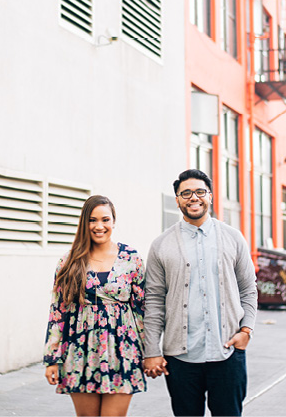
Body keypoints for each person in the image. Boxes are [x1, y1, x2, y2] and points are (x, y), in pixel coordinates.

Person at [143, 169, 257, 417]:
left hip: (227, 352)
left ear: (211, 196)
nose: (193, 198)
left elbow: (248, 288)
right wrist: (151, 350)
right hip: (181, 358)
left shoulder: (233, 238)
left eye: (199, 192)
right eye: (186, 193)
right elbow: (153, 300)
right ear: (177, 200)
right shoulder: (161, 244)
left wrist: (246, 330)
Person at [43, 195, 146, 417]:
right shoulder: (69, 261)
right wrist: (52, 359)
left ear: (114, 222)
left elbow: (141, 310)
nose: (99, 226)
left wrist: (149, 352)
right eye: (92, 220)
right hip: (80, 351)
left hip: (122, 350)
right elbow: (57, 312)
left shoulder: (131, 258)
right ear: (84, 223)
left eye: (105, 220)